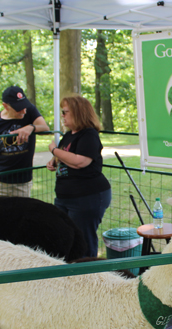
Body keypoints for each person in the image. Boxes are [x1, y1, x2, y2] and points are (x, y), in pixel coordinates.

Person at [47, 95, 112, 257]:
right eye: (62, 112)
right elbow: (67, 154)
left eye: (65, 112)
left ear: (78, 113)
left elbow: (80, 161)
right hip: (65, 197)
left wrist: (55, 151)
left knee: (83, 240)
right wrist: (54, 160)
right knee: (64, 236)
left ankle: (88, 276)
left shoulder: (89, 135)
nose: (62, 116)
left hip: (87, 197)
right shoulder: (69, 135)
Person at [0, 86, 49, 198]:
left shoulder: (30, 111)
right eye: (18, 108)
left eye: (24, 106)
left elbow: (44, 127)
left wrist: (30, 127)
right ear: (5, 106)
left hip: (22, 182)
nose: (24, 111)